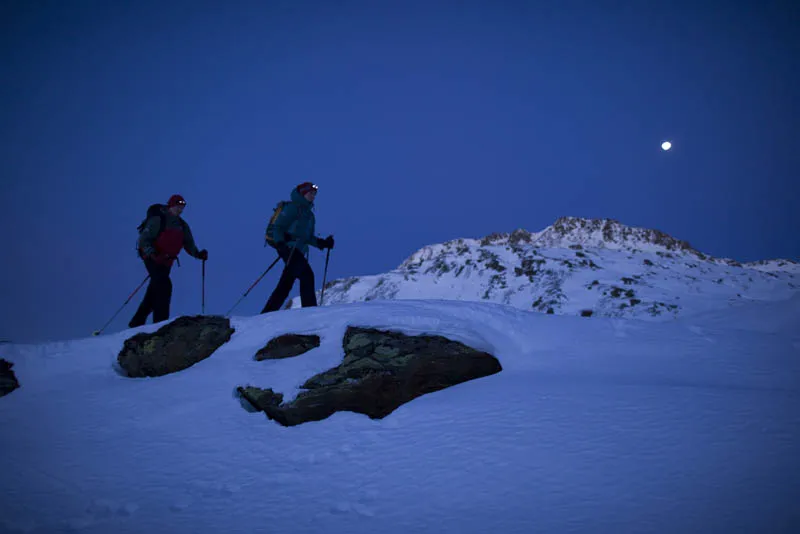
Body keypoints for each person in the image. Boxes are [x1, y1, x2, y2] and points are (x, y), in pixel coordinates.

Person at [129, 194, 208, 327]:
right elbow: (143, 239)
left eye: (182, 207)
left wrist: (198, 254)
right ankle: (160, 323)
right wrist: (152, 253)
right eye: (177, 206)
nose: (180, 209)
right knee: (164, 286)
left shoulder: (182, 225)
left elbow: (188, 243)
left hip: (167, 261)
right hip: (153, 258)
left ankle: (137, 322)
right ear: (171, 205)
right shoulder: (158, 220)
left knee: (155, 290)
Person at [261, 182, 334, 313]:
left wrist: (323, 243)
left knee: (285, 285)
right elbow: (278, 227)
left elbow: (306, 237)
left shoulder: (309, 215)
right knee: (307, 275)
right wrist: (280, 244)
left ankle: (266, 313)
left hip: (297, 250)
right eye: (310, 193)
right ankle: (309, 311)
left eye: (314, 193)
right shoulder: (293, 208)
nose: (313, 196)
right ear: (303, 194)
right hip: (288, 249)